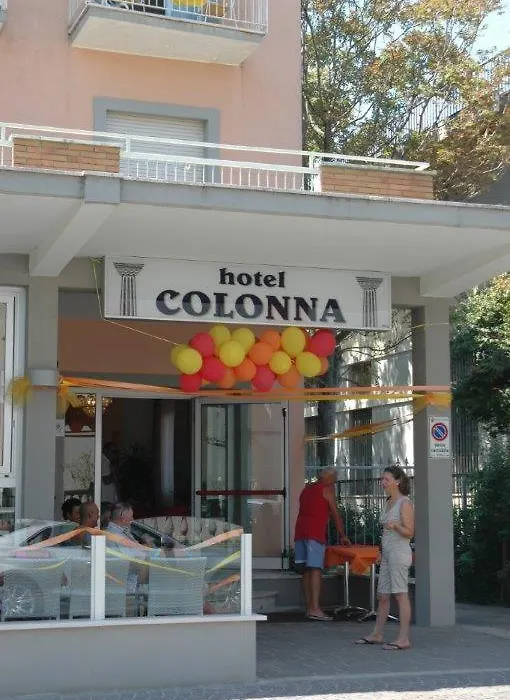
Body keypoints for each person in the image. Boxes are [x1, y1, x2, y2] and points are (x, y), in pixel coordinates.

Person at [355, 466, 414, 650]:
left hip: (399, 552)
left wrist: (395, 526)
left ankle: (403, 638)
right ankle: (377, 634)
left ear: (398, 481)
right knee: (383, 595)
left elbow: (410, 532)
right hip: (388, 553)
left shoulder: (404, 503)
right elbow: (385, 532)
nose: (383, 482)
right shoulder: (388, 501)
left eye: (387, 479)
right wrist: (381, 551)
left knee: (400, 594)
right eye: (382, 479)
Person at [294, 467, 350, 621]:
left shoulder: (306, 489)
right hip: (315, 533)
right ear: (329, 479)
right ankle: (315, 609)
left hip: (300, 531)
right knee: (315, 569)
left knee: (306, 570)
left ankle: (309, 608)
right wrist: (343, 535)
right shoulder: (327, 489)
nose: (335, 482)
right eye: (334, 479)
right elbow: (335, 513)